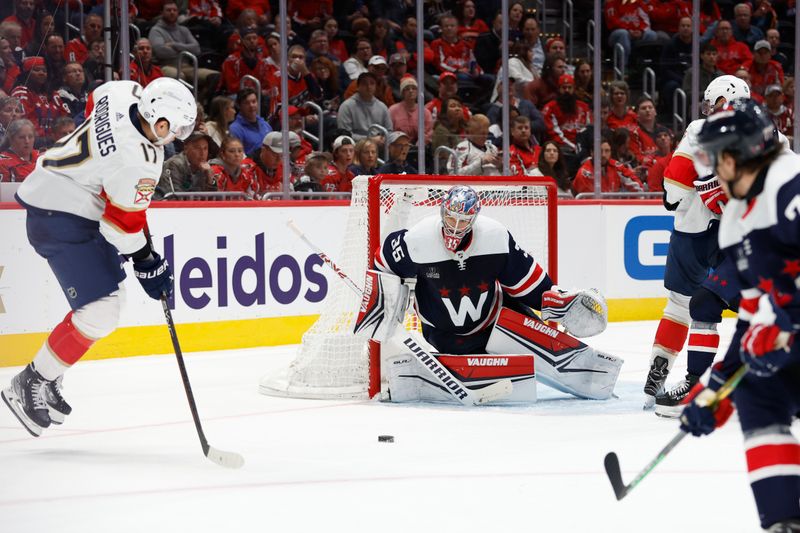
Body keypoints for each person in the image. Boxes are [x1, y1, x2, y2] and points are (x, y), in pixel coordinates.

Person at [3, 78, 195, 437]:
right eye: (177, 128)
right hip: (60, 215)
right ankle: (29, 382)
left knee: (109, 304)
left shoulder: (125, 94)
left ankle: (48, 372)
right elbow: (120, 227)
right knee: (101, 311)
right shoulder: (140, 162)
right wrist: (148, 263)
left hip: (57, 194)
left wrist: (99, 160)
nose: (177, 137)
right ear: (160, 122)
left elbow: (94, 100)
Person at [372, 185, 621, 402]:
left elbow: (527, 283)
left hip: (497, 318)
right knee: (513, 380)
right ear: (442, 211)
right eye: (451, 218)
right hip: (444, 334)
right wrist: (388, 305)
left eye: (464, 220)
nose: (456, 226)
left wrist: (556, 301)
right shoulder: (417, 239)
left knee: (532, 347)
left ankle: (587, 374)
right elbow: (381, 264)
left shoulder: (495, 237)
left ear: (474, 219)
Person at [680, 99, 800, 533]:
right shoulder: (735, 217)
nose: (707, 167)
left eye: (714, 157)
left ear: (736, 156)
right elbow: (752, 311)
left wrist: (787, 327)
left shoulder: (791, 184)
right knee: (756, 392)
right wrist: (716, 389)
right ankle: (785, 521)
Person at [644, 75, 752, 412]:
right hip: (731, 234)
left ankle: (657, 378)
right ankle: (696, 380)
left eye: (714, 102)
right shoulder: (769, 134)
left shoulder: (698, 129)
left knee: (681, 303)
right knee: (719, 303)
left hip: (695, 230)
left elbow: (675, 184)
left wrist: (702, 188)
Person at [155, 130, 218, 199]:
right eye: (197, 148)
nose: (202, 153)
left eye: (205, 148)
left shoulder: (205, 168)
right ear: (186, 148)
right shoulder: (174, 164)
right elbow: (175, 197)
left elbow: (213, 199)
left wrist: (210, 180)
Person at [572, 138, 644, 194]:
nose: (603, 155)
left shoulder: (616, 167)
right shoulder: (585, 173)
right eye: (600, 151)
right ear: (591, 152)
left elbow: (637, 186)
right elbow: (589, 202)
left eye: (607, 151)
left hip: (613, 208)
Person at [336, 72, 393, 141]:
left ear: (376, 86)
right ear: (358, 87)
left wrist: (383, 139)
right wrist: (370, 140)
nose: (369, 87)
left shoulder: (382, 107)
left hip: (379, 146)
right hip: (355, 148)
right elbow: (345, 135)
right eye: (364, 84)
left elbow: (389, 131)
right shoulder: (346, 106)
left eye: (372, 83)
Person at [388, 76, 433, 147]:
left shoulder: (425, 112)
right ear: (402, 93)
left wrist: (417, 147)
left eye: (414, 88)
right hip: (398, 148)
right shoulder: (392, 110)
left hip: (419, 150)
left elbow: (427, 134)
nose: (411, 91)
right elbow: (389, 132)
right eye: (407, 89)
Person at [228, 87, 272, 155]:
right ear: (239, 106)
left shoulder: (265, 124)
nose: (251, 105)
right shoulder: (235, 129)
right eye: (246, 103)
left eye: (254, 101)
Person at [431, 96, 467, 174]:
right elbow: (444, 156)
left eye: (459, 106)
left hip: (465, 165)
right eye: (453, 106)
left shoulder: (466, 128)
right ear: (445, 111)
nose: (457, 108)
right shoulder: (441, 130)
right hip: (447, 170)